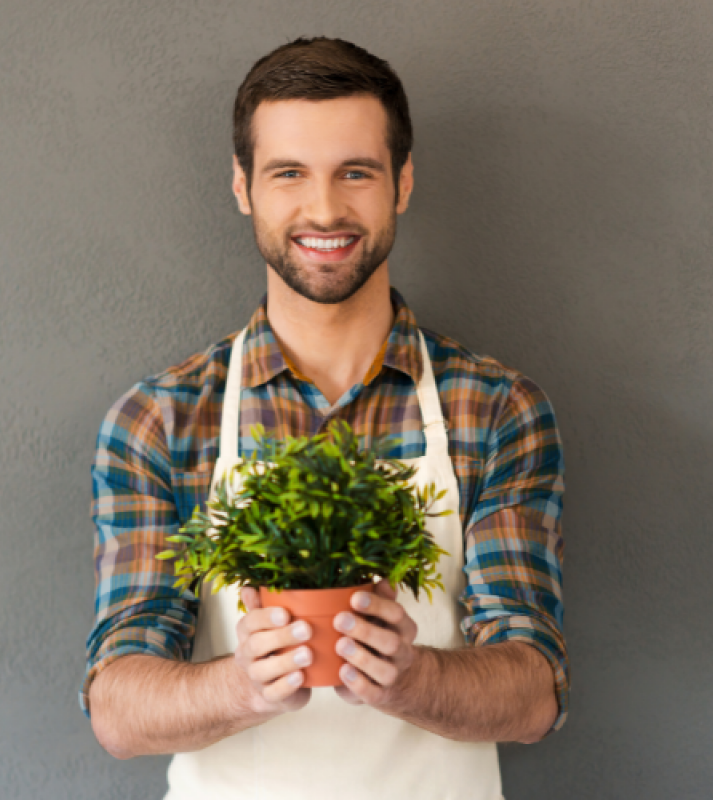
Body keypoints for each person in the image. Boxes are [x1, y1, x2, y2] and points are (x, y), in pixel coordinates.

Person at [81, 37, 568, 800]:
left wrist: (413, 678)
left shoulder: (496, 409)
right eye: (288, 174)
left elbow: (534, 692)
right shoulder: (162, 420)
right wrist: (241, 687)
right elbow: (116, 708)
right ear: (243, 187)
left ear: (401, 183)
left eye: (356, 173)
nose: (325, 209)